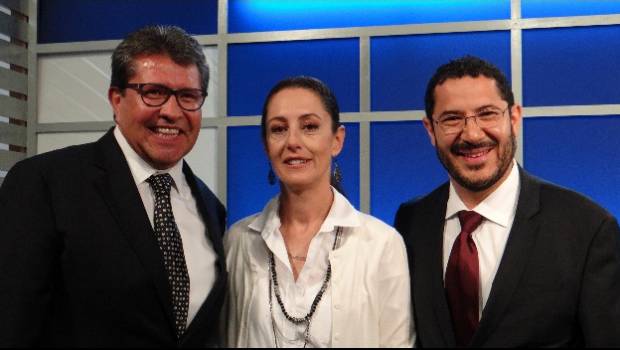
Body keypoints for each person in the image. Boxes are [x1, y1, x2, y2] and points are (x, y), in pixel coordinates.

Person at [0, 25, 226, 347]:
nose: (172, 112)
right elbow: (12, 327)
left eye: (188, 96)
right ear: (116, 99)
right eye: (154, 92)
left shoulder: (211, 208)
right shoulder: (44, 185)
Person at [395, 55, 620, 347]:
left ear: (514, 118)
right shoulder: (411, 221)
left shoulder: (587, 228)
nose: (472, 134)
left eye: (487, 114)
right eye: (452, 119)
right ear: (430, 130)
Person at [224, 76, 414, 347]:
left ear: (337, 139)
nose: (293, 141)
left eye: (309, 126)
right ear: (266, 146)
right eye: (278, 129)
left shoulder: (382, 244)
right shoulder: (239, 240)